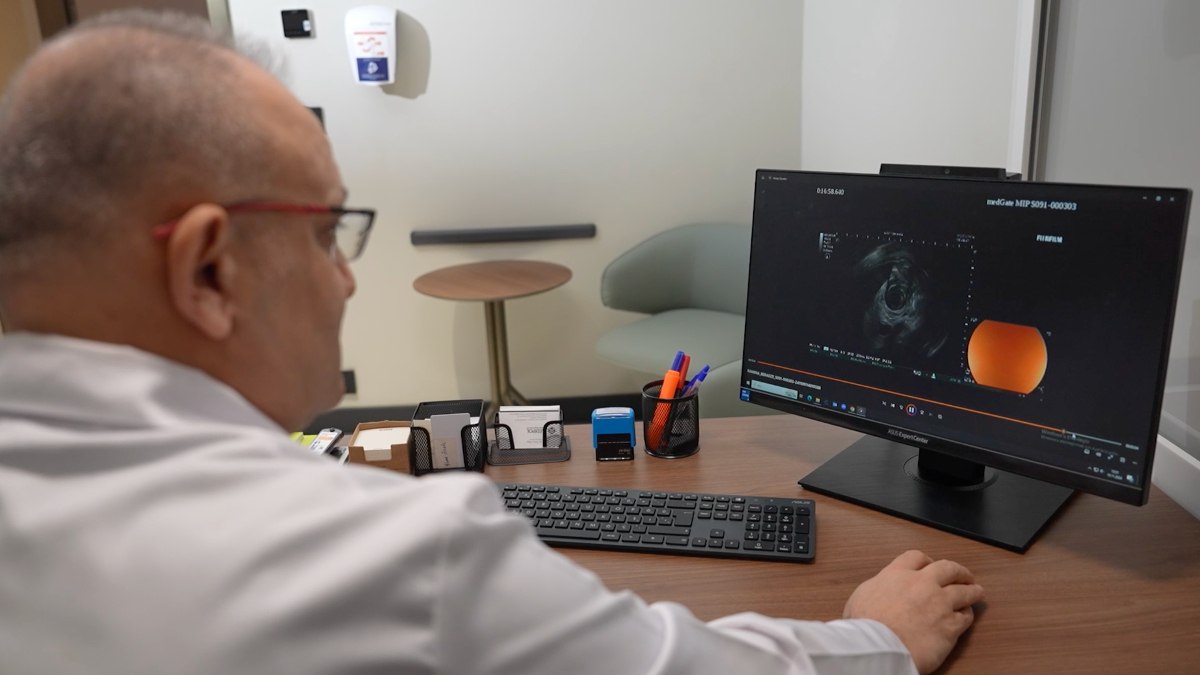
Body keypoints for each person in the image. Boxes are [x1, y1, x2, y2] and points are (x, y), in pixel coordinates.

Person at [0, 11, 983, 674]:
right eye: (325, 232)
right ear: (208, 271)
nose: (346, 276)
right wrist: (876, 638)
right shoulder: (383, 557)